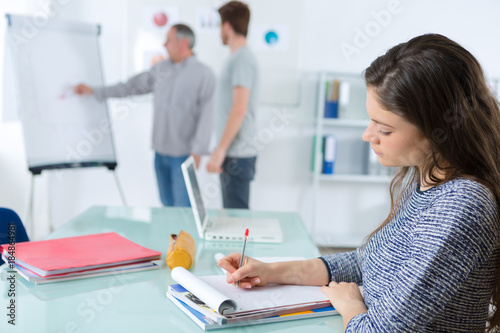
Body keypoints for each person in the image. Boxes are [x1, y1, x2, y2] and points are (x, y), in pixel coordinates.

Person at [218, 34, 500, 332]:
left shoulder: (462, 205)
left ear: (437, 130)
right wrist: (270, 271)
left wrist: (351, 306)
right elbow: (366, 262)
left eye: (385, 129)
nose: (368, 135)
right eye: (370, 121)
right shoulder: (425, 179)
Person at [74, 24, 215, 207]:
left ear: (184, 43)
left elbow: (207, 115)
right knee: (166, 205)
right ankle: (169, 237)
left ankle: (186, 237)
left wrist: (198, 150)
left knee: (184, 210)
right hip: (160, 153)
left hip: (184, 155)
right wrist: (94, 91)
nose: (164, 45)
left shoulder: (204, 74)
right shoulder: (161, 69)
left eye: (169, 40)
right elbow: (129, 87)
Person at [206, 1, 259, 209]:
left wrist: (220, 150)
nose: (219, 31)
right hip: (234, 154)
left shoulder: (242, 59)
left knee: (236, 221)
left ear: (227, 26)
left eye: (220, 25)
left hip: (236, 155)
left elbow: (239, 109)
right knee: (233, 217)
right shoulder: (238, 58)